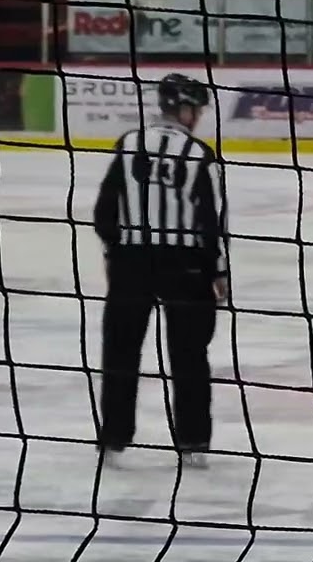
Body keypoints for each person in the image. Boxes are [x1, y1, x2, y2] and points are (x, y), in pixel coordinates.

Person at [92, 73, 228, 469]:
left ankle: (113, 437)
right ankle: (193, 441)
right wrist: (218, 271)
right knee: (188, 355)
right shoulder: (200, 154)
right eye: (197, 109)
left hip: (131, 262)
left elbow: (105, 209)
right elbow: (211, 219)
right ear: (185, 110)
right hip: (185, 265)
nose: (199, 116)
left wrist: (114, 251)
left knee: (120, 351)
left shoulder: (128, 144)